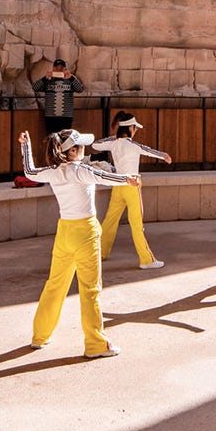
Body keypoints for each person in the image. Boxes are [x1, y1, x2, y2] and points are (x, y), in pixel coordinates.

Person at [18, 128, 140, 358]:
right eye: (81, 146)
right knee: (90, 289)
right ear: (73, 151)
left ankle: (40, 336)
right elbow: (104, 178)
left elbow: (29, 171)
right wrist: (127, 179)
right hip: (86, 232)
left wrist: (26, 146)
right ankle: (95, 344)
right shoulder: (80, 170)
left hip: (64, 232)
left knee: (55, 284)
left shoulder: (53, 172)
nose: (84, 149)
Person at [92, 111, 171, 269]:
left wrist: (115, 137)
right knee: (136, 225)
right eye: (135, 128)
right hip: (132, 184)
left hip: (118, 185)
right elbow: (148, 150)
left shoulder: (113, 143)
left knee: (109, 221)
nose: (135, 130)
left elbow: (95, 144)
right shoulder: (133, 145)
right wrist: (164, 156)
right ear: (130, 128)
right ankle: (146, 260)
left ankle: (99, 254)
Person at [32, 59, 84, 135]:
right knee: (51, 138)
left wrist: (72, 78)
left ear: (65, 69)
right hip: (51, 116)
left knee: (64, 138)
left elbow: (80, 89)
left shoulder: (70, 80)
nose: (59, 70)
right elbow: (35, 88)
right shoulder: (48, 80)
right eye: (57, 68)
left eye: (61, 68)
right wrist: (44, 78)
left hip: (66, 116)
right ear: (53, 68)